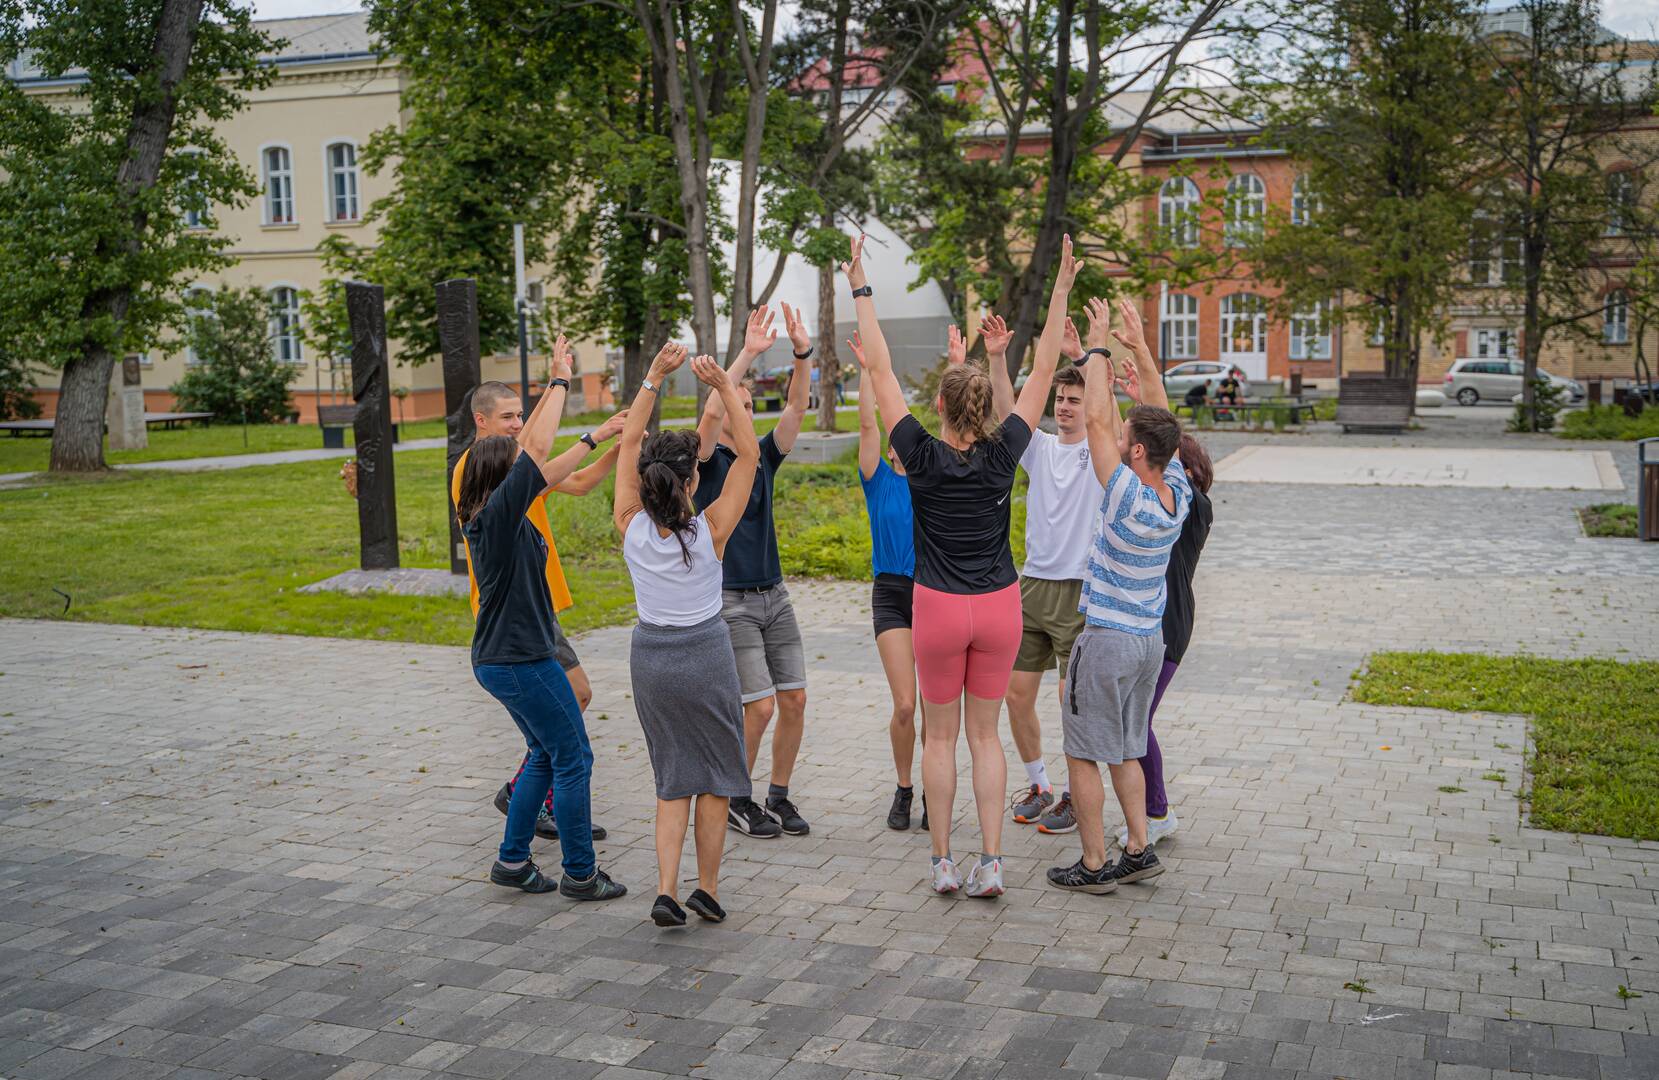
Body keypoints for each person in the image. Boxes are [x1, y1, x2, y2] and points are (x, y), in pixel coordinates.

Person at [847, 231, 1075, 897]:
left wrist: (861, 282)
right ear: (982, 409)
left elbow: (882, 371)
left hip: (937, 608)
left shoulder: (917, 453)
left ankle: (943, 864)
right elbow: (1037, 378)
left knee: (938, 740)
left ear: (940, 407)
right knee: (985, 738)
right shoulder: (1006, 451)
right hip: (1001, 605)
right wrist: (1059, 287)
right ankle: (993, 864)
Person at [455, 336, 625, 902]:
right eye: (518, 458)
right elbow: (538, 456)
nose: (527, 457)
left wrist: (612, 443)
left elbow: (552, 471)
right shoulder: (497, 514)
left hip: (506, 656)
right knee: (574, 757)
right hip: (520, 659)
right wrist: (565, 390)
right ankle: (580, 873)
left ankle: (512, 862)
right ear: (503, 478)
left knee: (545, 754)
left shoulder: (500, 509)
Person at [1047, 298, 1191, 895]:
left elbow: (1100, 422)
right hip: (1148, 643)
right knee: (1128, 749)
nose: (1120, 435)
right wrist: (1141, 351)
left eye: (1128, 437)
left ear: (1136, 454)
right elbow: (1161, 420)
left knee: (1083, 754)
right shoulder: (1173, 494)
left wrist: (1099, 347)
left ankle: (1093, 862)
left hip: (1105, 640)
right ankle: (1138, 847)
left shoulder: (1126, 496)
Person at [614, 344, 759, 928]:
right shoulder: (712, 531)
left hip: (650, 656)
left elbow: (627, 443)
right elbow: (748, 453)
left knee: (672, 780)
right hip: (705, 653)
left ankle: (666, 890)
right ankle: (710, 889)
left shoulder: (628, 526)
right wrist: (725, 386)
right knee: (717, 780)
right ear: (695, 477)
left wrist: (651, 377)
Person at [693, 304, 815, 839]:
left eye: (749, 406)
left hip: (776, 596)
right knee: (759, 706)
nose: (745, 414)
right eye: (735, 407)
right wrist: (743, 357)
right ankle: (736, 796)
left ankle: (779, 797)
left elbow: (795, 405)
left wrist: (801, 353)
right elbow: (709, 418)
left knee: (794, 700)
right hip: (731, 601)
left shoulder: (764, 456)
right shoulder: (704, 462)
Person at [982, 313, 1095, 837]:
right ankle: (1041, 784)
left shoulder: (1101, 453)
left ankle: (1076, 796)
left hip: (1079, 591)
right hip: (1031, 586)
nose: (1066, 407)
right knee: (1016, 694)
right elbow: (1007, 412)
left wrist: (1080, 358)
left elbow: (1114, 413)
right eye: (1060, 400)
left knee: (1069, 700)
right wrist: (997, 357)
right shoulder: (1042, 449)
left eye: (1075, 399)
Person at [1116, 432, 1213, 850]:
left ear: (1186, 472)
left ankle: (1157, 813)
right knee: (1132, 721)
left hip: (1169, 628)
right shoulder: (1156, 505)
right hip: (1151, 624)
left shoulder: (1194, 508)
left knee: (1136, 722)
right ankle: (1155, 812)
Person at [851, 330, 922, 831]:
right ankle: (903, 787)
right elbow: (866, 423)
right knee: (905, 704)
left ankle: (936, 793)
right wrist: (867, 369)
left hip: (936, 593)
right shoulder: (878, 479)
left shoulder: (933, 477)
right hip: (892, 593)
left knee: (939, 712)